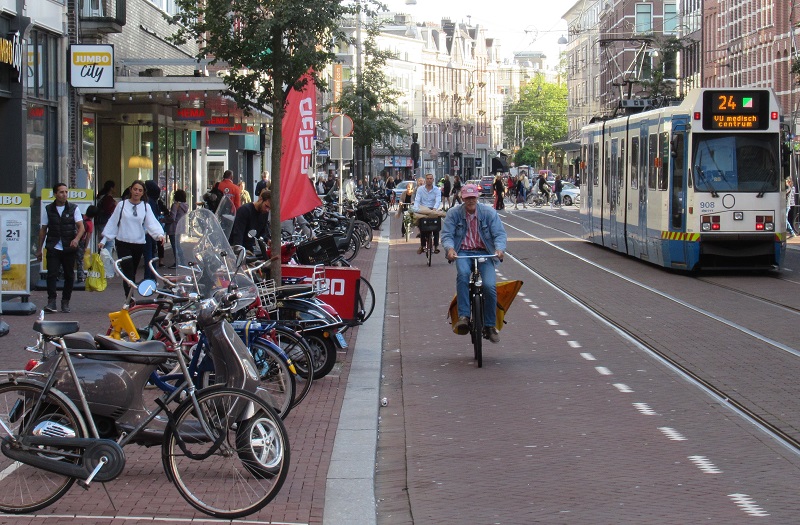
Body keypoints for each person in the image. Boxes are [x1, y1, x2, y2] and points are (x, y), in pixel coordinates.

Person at [441, 183, 507, 344]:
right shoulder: (454, 214)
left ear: (477, 198)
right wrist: (450, 249)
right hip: (462, 252)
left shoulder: (489, 213)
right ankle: (464, 316)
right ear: (463, 198)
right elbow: (447, 234)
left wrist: (499, 249)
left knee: (490, 286)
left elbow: (499, 234)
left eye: (473, 198)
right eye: (467, 198)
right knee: (463, 275)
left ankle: (490, 326)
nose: (470, 201)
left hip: (485, 252)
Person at [98, 180, 165, 298]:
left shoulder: (145, 207)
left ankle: (130, 296)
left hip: (138, 243)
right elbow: (113, 222)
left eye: (140, 190)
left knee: (133, 272)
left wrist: (159, 235)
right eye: (135, 189)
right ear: (130, 190)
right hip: (123, 242)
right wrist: (104, 240)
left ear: (143, 192)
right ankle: (130, 298)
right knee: (128, 272)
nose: (137, 192)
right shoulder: (122, 205)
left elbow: (152, 223)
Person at [36, 183, 85, 313]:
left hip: (68, 247)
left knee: (69, 275)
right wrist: (39, 249)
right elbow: (43, 229)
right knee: (51, 274)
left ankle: (65, 301)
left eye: (66, 192)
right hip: (53, 246)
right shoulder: (48, 209)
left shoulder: (73, 208)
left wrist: (76, 239)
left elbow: (81, 227)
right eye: (61, 192)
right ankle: (51, 301)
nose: (64, 195)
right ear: (55, 194)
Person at [413, 173, 442, 254]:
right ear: (425, 180)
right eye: (428, 178)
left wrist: (435, 208)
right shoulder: (420, 189)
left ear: (433, 180)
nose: (429, 180)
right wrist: (416, 208)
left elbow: (438, 200)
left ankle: (436, 246)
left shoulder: (436, 190)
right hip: (423, 210)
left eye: (430, 178)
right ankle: (422, 246)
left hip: (433, 209)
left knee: (436, 228)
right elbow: (417, 200)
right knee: (422, 228)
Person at [167, 189, 189, 268]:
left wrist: (164, 219)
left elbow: (172, 217)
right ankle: (182, 261)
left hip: (173, 227)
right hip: (180, 226)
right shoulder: (185, 206)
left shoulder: (175, 205)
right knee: (178, 245)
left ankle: (178, 262)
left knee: (175, 246)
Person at [75, 205, 96, 283]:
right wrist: (85, 247)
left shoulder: (80, 217)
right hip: (80, 242)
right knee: (79, 260)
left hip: (71, 240)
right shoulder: (90, 223)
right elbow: (88, 237)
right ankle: (80, 277)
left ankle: (61, 275)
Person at [95, 180, 117, 246]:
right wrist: (115, 205)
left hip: (100, 221)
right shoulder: (108, 198)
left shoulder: (102, 196)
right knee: (109, 242)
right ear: (111, 188)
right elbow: (108, 210)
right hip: (105, 222)